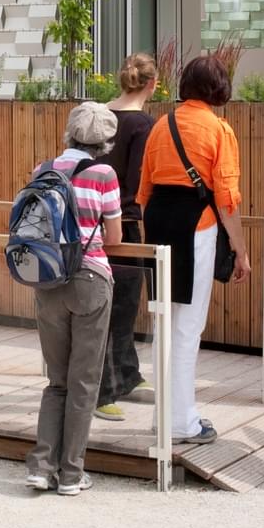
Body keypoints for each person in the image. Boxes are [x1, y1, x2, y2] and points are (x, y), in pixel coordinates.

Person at [137, 56, 251, 446]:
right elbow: (227, 198)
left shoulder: (160, 126)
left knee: (162, 324)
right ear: (218, 88)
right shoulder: (219, 130)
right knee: (187, 328)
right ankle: (182, 422)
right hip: (195, 226)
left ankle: (163, 416)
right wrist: (240, 248)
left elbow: (145, 189)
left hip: (157, 224)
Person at [25, 102, 122, 496]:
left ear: (69, 133)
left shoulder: (43, 169)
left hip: (47, 278)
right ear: (105, 142)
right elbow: (113, 239)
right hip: (90, 279)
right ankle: (71, 473)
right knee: (84, 381)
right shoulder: (103, 174)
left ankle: (41, 466)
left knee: (57, 380)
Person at [94, 53, 158, 421]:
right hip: (123, 222)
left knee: (113, 303)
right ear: (152, 84)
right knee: (118, 305)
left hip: (89, 219)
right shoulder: (143, 124)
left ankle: (127, 375)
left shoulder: (99, 115)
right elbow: (136, 182)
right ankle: (105, 389)